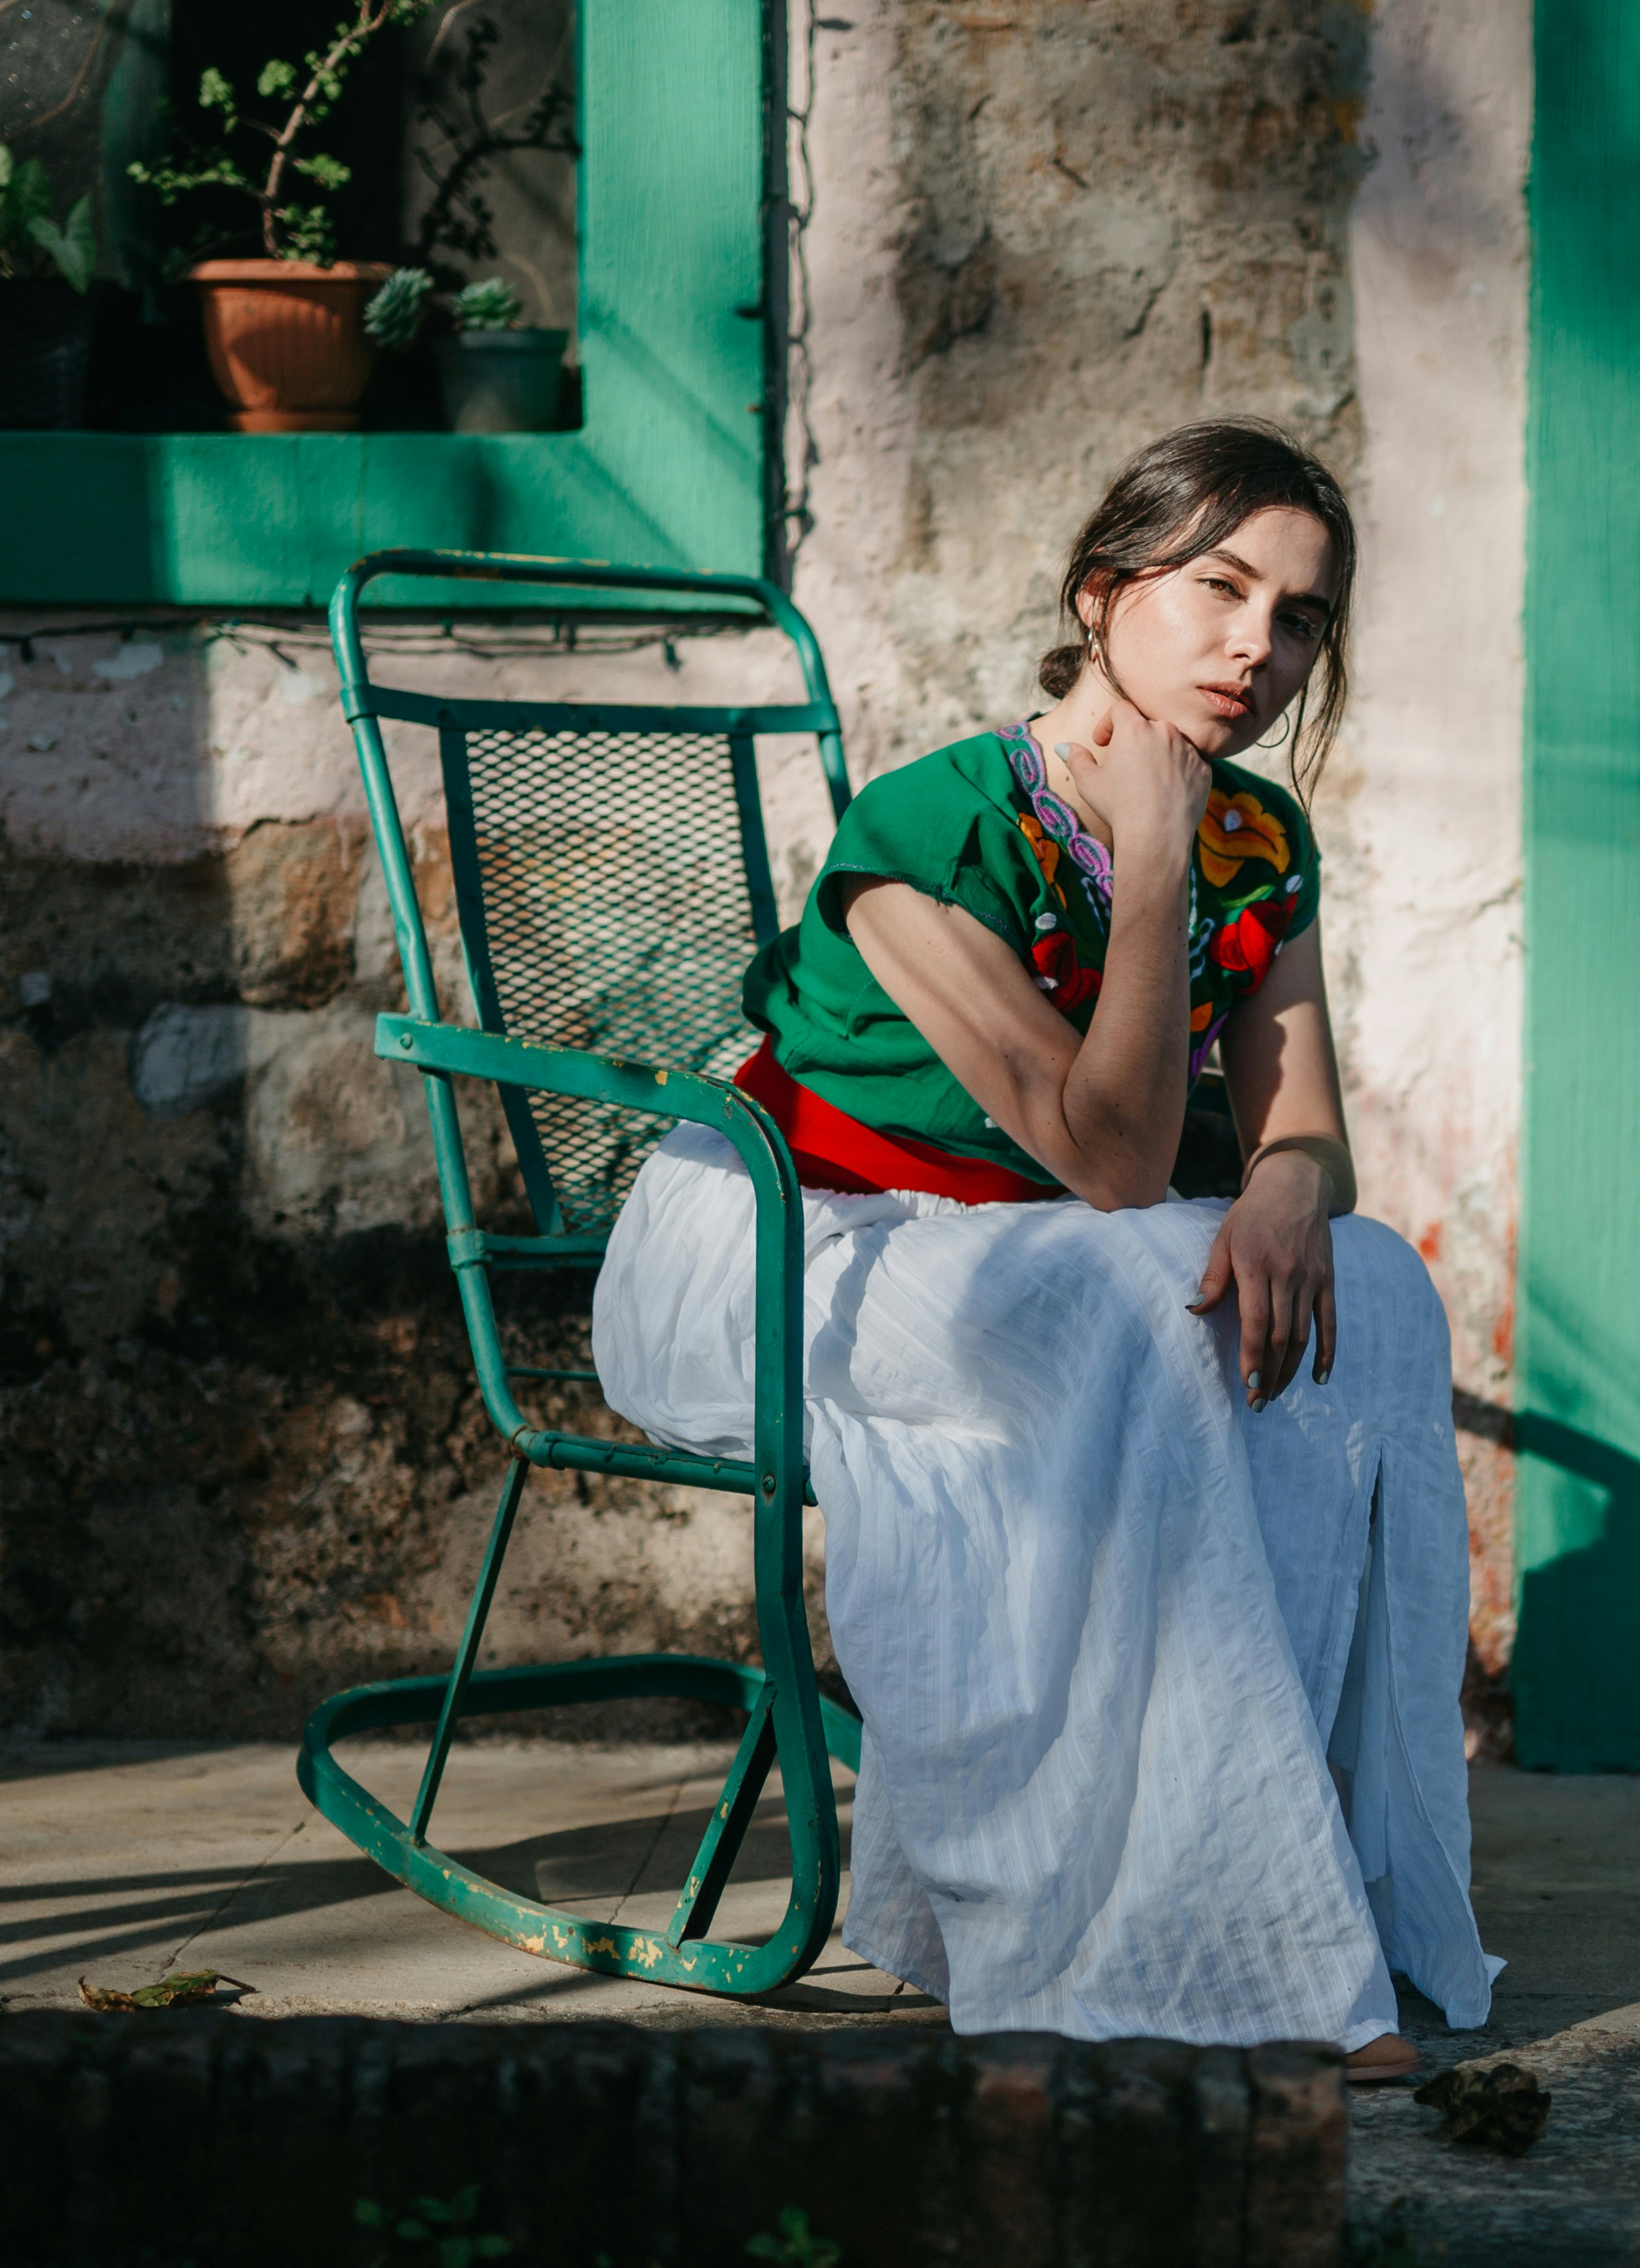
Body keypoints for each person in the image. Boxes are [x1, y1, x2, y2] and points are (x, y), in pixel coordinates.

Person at [592, 418, 1495, 2078]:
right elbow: (1117, 1156)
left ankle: (1307, 1881)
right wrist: (1149, 870)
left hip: (1036, 1250)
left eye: (1299, 618)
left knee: (1373, 1288)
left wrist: (1297, 1182)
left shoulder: (1259, 847)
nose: (1257, 646)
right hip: (794, 1240)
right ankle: (1212, 1937)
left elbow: (1299, 1122)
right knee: (1149, 1294)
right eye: (1217, 588)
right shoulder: (927, 832)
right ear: (1102, 594)